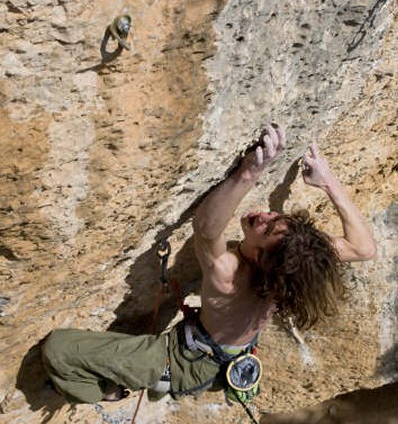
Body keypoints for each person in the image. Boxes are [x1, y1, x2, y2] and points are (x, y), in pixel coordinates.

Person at [42, 125, 377, 403]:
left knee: (58, 351)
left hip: (181, 362)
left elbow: (206, 227)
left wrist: (250, 173)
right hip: (229, 352)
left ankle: (110, 390)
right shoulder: (292, 266)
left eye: (266, 228)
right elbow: (364, 248)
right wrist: (328, 181)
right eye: (277, 218)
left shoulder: (230, 276)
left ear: (260, 258)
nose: (264, 215)